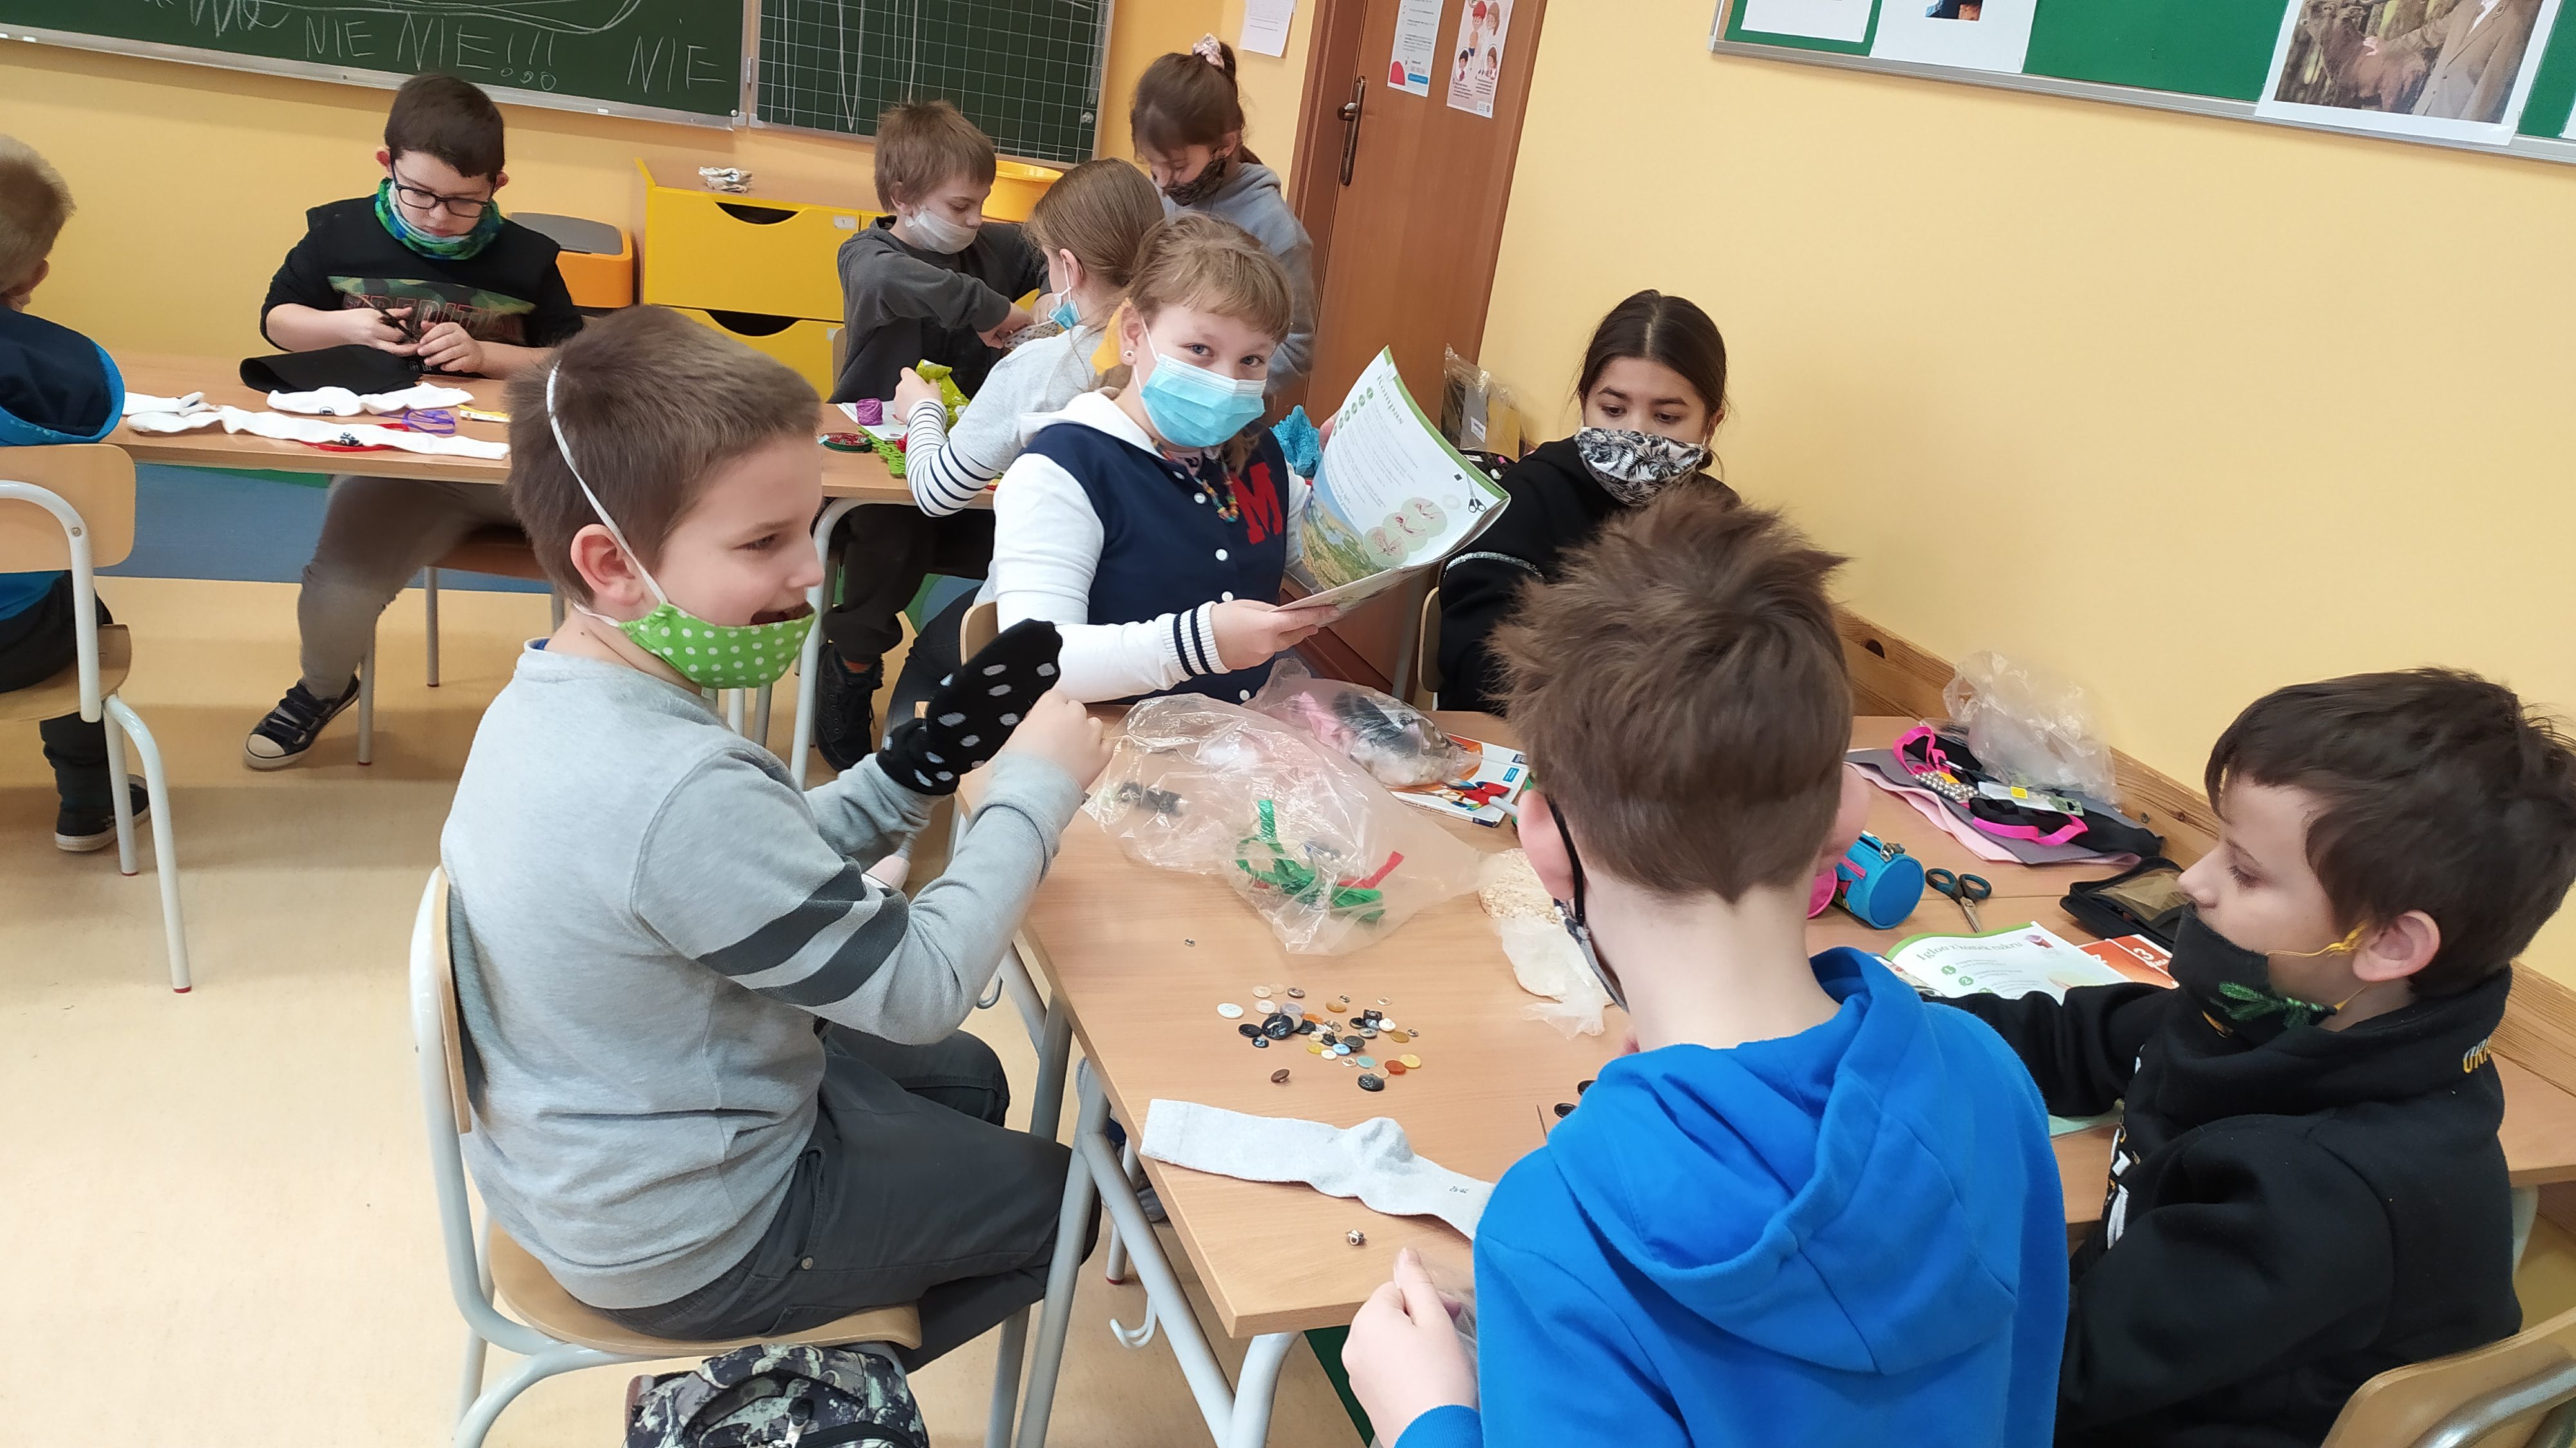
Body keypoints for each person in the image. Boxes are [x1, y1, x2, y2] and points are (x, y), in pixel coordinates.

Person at [439, 305, 1110, 1366]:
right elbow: (923, 983)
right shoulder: (676, 786)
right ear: (611, 563)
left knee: (969, 1081)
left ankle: (848, 1297)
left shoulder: (555, 693)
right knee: (1066, 1201)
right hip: (686, 1232)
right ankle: (779, 1395)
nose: (810, 570)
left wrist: (916, 766)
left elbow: (750, 860)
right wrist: (1033, 790)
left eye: (809, 526)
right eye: (763, 541)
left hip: (587, 1149)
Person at [1343, 493, 2069, 1447]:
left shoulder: (1555, 1233)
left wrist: (1425, 1420)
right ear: (1848, 815)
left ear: (1542, 840)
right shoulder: (1987, 1078)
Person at [1941, 669, 2576, 1443]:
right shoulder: (2272, 1014)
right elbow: (2075, 1038)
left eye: (2244, 870)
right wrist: (1865, 1025)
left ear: (2388, 943)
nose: (2194, 880)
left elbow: (2047, 1375)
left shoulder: (2322, 1192)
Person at [243, 73, 583, 769]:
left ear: (497, 184)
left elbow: (576, 362)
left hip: (520, 473)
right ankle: (322, 688)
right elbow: (278, 321)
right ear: (386, 164)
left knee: (633, 554)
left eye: (463, 202)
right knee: (338, 586)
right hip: (405, 471)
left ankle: (599, 708)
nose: (435, 216)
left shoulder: (528, 258)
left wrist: (488, 354)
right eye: (418, 193)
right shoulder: (337, 233)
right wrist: (344, 327)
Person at [983, 213, 1334, 705]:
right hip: (1108, 741)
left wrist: (1353, 491)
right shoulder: (1065, 469)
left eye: (1252, 360)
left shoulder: (1258, 453)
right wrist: (1202, 643)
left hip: (1241, 735)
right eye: (1200, 349)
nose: (1227, 380)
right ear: (1133, 334)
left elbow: (1329, 574)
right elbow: (1039, 665)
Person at [813, 99, 1050, 770]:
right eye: (960, 206)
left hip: (969, 464)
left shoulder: (991, 245)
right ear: (902, 197)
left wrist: (1058, 298)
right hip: (880, 469)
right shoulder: (867, 255)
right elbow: (894, 280)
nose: (975, 220)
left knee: (1033, 543)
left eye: (982, 204)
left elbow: (1059, 250)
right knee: (893, 540)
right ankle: (851, 665)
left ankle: (988, 686)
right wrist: (992, 309)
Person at [884, 156, 1166, 718]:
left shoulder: (1041, 368)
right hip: (1158, 626)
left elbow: (937, 492)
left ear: (1069, 266)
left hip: (1050, 640)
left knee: (930, 654)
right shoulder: (1181, 358)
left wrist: (924, 411)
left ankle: (915, 768)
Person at [1435, 290, 1734, 713]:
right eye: (1613, 410)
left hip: (1677, 743)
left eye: (1666, 417)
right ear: (1585, 404)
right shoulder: (1528, 495)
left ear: (1710, 424)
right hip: (1535, 735)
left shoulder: (1721, 518)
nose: (1635, 435)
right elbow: (1480, 665)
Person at [0, 135, 147, 851]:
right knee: (78, 599)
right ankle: (91, 799)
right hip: (19, 646)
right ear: (36, 273)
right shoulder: (72, 371)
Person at [1131, 35, 1316, 397]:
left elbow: (1297, 349)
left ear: (1226, 145)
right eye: (1153, 166)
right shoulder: (1161, 194)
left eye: (1177, 166)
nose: (1163, 182)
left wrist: (1218, 388)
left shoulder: (1275, 231)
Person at [2365, 0, 2543, 122]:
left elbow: (2491, 85)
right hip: (2426, 108)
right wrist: (2390, 47)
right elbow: (2432, 32)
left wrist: (2467, 130)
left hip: (2458, 118)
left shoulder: (2513, 22)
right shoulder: (2468, 5)